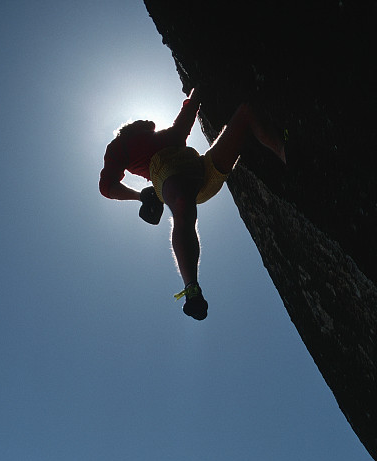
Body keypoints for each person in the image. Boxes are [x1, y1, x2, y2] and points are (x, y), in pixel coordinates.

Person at [99, 88, 285, 320]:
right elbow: (107, 187)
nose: (149, 122)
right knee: (182, 205)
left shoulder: (171, 135)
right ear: (132, 128)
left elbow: (190, 110)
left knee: (245, 113)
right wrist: (141, 196)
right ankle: (192, 289)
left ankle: (285, 153)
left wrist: (196, 90)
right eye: (143, 122)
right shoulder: (121, 145)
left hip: (202, 175)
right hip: (167, 174)